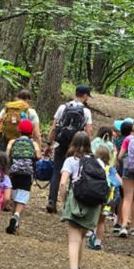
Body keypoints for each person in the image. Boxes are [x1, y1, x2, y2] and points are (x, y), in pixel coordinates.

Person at [57, 132, 105, 269]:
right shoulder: (98, 161)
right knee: (81, 238)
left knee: (74, 240)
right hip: (93, 204)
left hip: (76, 202)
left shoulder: (70, 161)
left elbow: (63, 183)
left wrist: (65, 201)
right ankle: (77, 268)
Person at [45, 86, 92, 214]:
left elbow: (54, 127)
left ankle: (52, 201)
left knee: (57, 172)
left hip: (61, 144)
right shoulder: (86, 112)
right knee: (76, 175)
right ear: (84, 96)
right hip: (77, 146)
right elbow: (88, 131)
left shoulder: (62, 107)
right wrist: (87, 148)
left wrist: (49, 144)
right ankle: (72, 205)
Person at [5, 118, 39, 234]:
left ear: (18, 130)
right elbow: (38, 156)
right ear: (31, 132)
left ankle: (15, 223)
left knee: (14, 196)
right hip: (27, 173)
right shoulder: (33, 143)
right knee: (22, 196)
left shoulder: (12, 142)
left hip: (14, 172)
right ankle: (16, 215)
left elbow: (6, 155)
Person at [0, 89, 42, 154]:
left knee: (5, 162)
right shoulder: (32, 112)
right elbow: (37, 136)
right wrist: (38, 152)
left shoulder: (6, 109)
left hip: (6, 142)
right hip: (24, 145)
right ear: (28, 101)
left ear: (17, 98)